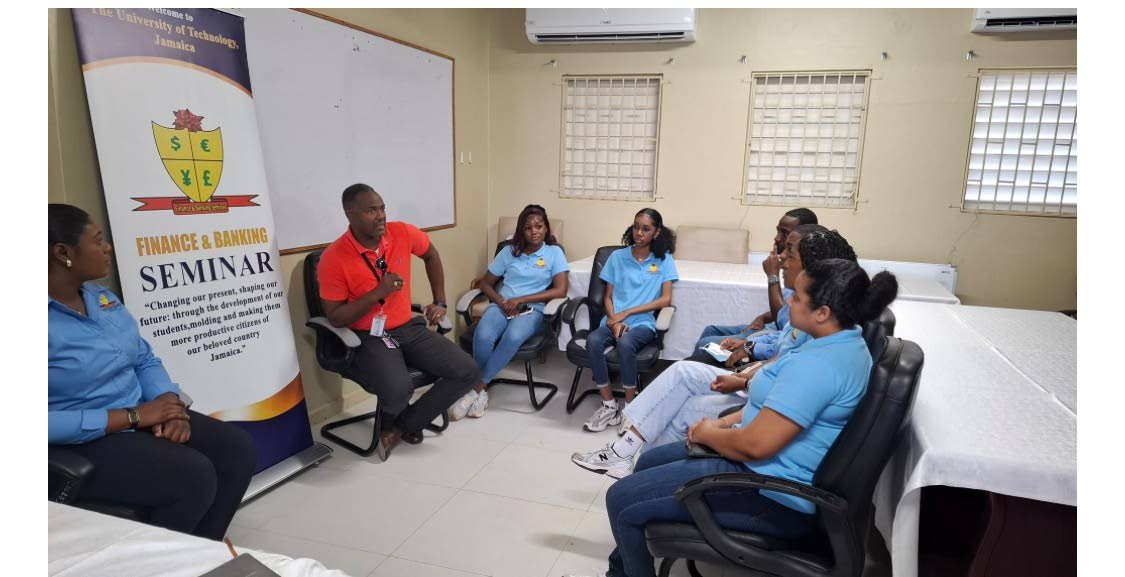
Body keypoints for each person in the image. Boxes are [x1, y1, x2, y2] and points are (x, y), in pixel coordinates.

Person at [566, 258, 899, 577]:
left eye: (797, 297)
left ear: (823, 313)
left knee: (620, 500)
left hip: (768, 494)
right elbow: (772, 410)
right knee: (648, 461)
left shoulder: (820, 366)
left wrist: (709, 432)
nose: (790, 302)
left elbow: (755, 446)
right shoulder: (836, 344)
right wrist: (722, 426)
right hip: (763, 472)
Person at [571, 227, 857, 478]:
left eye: (789, 253)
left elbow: (784, 373)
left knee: (683, 407)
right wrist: (748, 359)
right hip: (754, 383)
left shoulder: (820, 334)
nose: (780, 256)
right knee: (684, 370)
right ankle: (629, 455)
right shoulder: (815, 317)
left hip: (755, 400)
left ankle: (643, 471)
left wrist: (744, 376)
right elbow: (781, 353)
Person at [48, 203, 257, 541]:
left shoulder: (101, 298)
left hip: (143, 414)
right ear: (63, 253)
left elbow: (143, 359)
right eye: (97, 240)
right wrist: (133, 415)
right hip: (81, 439)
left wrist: (169, 406)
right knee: (193, 476)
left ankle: (200, 552)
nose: (107, 247)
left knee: (237, 450)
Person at [317, 183, 479, 460]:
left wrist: (439, 301)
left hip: (407, 327)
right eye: (371, 210)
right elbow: (335, 317)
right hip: (368, 335)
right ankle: (403, 423)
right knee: (398, 389)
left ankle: (402, 426)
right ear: (350, 214)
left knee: (468, 369)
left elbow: (431, 255)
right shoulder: (334, 258)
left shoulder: (401, 232)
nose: (380, 215)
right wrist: (377, 293)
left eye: (382, 208)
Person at [449, 204, 569, 420]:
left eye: (539, 226)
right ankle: (482, 392)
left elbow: (561, 289)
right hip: (502, 305)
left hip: (532, 310)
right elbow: (486, 283)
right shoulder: (508, 252)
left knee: (512, 336)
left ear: (546, 228)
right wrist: (502, 301)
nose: (534, 231)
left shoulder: (554, 253)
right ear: (521, 231)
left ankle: (476, 388)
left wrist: (521, 299)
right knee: (483, 335)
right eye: (528, 228)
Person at [583, 208, 679, 434]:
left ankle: (630, 408)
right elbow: (607, 297)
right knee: (593, 341)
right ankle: (608, 405)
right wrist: (615, 321)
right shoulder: (618, 257)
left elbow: (665, 299)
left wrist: (626, 314)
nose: (639, 233)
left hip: (643, 323)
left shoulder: (663, 260)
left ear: (656, 233)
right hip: (614, 320)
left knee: (626, 344)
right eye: (636, 227)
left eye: (646, 229)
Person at [687, 208, 819, 365]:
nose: (777, 239)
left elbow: (784, 323)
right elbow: (787, 309)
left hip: (777, 333)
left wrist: (773, 276)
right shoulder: (794, 271)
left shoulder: (806, 277)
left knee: (706, 345)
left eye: (784, 233)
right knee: (710, 331)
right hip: (774, 330)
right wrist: (763, 317)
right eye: (778, 232)